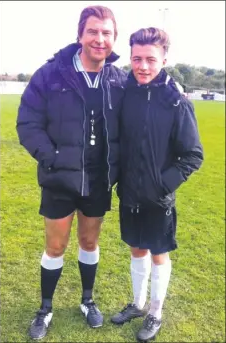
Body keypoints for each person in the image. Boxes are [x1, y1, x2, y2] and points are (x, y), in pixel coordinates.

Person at [16, 5, 126, 340]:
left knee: (89, 241)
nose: (99, 39)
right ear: (80, 35)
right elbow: (28, 122)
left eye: (106, 33)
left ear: (113, 38)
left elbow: (148, 99)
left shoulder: (119, 80)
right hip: (60, 178)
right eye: (93, 31)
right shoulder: (51, 74)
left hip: (97, 180)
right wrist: (52, 157)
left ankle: (87, 301)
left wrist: (173, 88)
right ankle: (45, 308)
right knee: (55, 246)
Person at [111, 27, 203, 341]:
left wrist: (163, 185)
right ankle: (137, 304)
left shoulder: (176, 101)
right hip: (129, 194)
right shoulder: (125, 93)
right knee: (136, 249)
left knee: (158, 253)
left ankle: (155, 312)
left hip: (158, 197)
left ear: (164, 58)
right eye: (137, 58)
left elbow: (193, 154)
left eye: (151, 59)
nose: (143, 66)